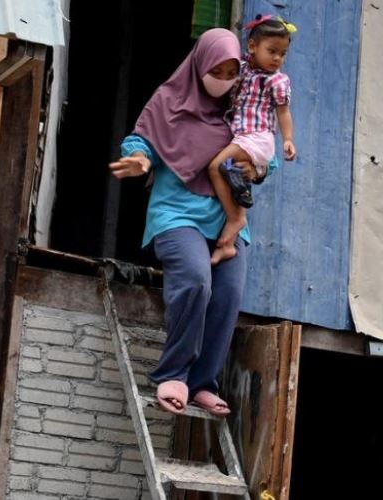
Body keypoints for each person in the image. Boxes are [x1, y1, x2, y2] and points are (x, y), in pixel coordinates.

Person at [109, 28, 278, 416]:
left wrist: (258, 170)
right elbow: (141, 140)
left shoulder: (243, 102)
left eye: (231, 72)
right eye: (215, 70)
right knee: (196, 281)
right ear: (199, 63)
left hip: (227, 219)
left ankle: (203, 382)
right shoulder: (169, 100)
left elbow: (261, 152)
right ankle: (174, 374)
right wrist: (140, 159)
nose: (223, 80)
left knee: (229, 293)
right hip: (176, 213)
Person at [207, 16, 296, 264]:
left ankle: (236, 219)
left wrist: (288, 139)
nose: (277, 58)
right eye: (272, 51)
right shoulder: (243, 68)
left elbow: (283, 111)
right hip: (242, 135)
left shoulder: (278, 80)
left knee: (215, 167)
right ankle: (228, 243)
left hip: (257, 138)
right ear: (253, 47)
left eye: (283, 53)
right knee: (233, 172)